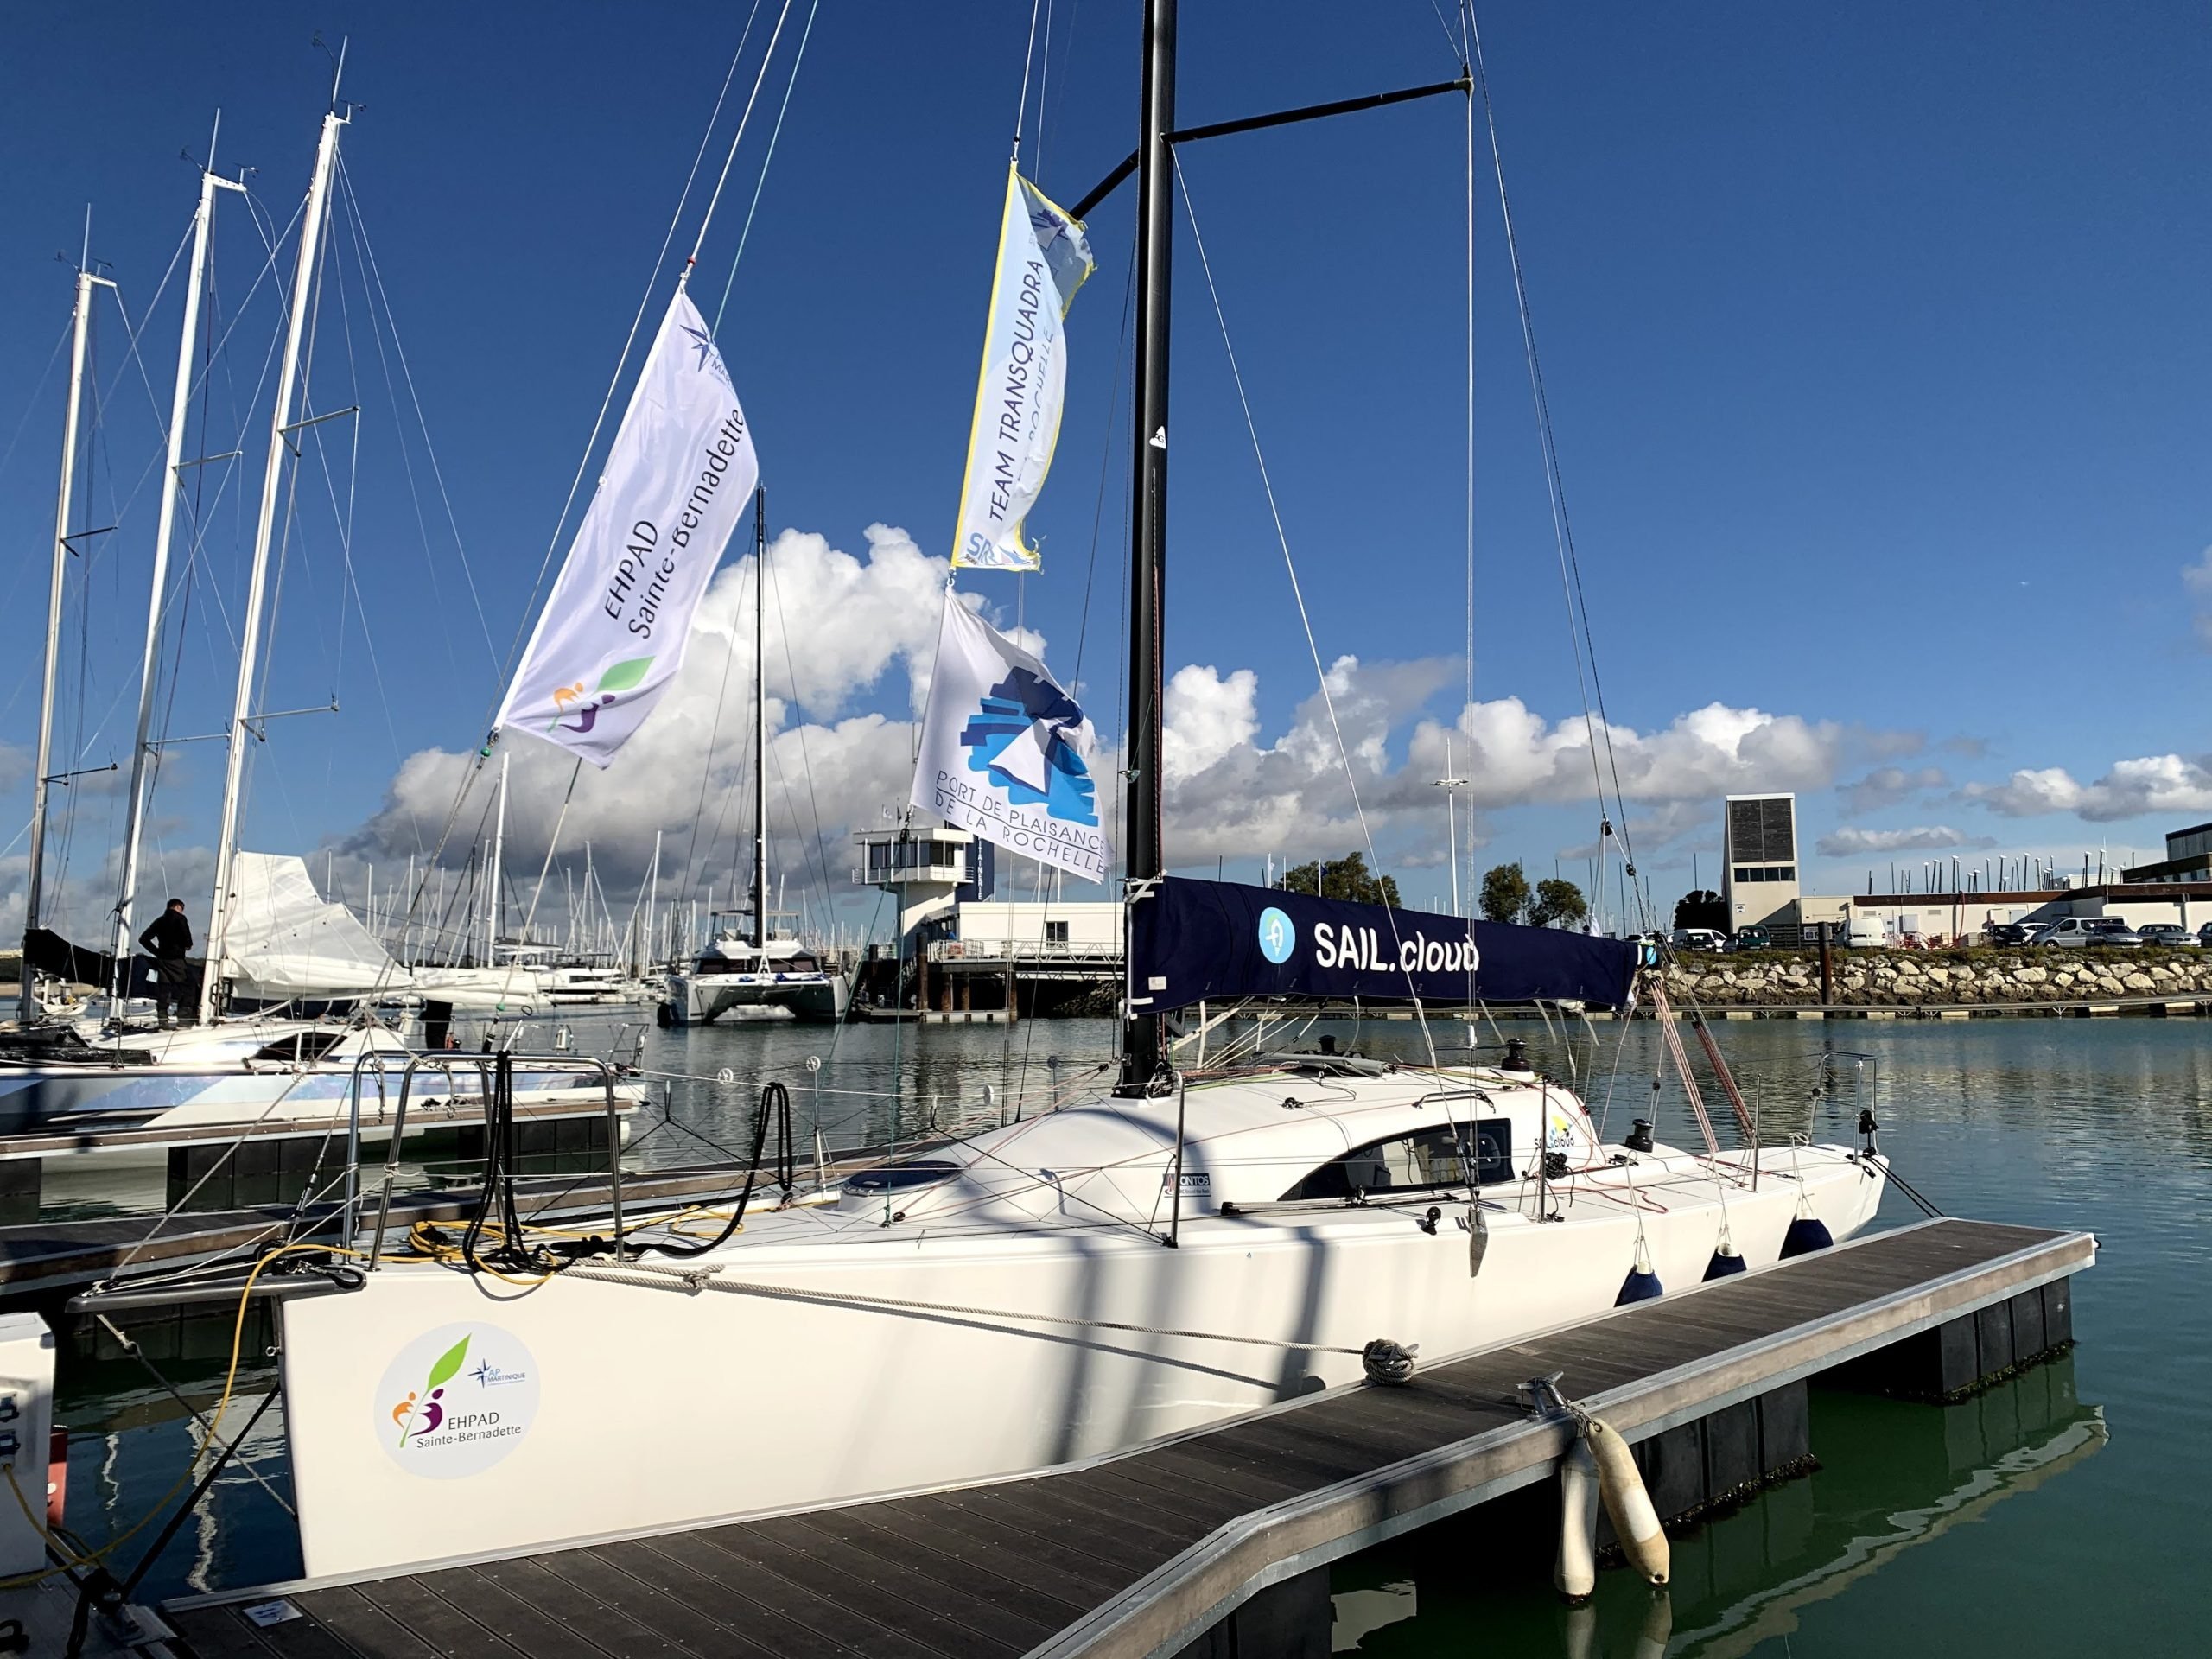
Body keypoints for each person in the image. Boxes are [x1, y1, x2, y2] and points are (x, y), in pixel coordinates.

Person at [138, 898, 194, 1027]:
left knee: (164, 990)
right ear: (178, 907)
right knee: (189, 987)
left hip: (162, 960)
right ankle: (184, 1021)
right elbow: (188, 941)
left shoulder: (159, 921)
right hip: (176, 960)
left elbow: (143, 939)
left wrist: (157, 952)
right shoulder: (181, 919)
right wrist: (187, 945)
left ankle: (163, 1022)